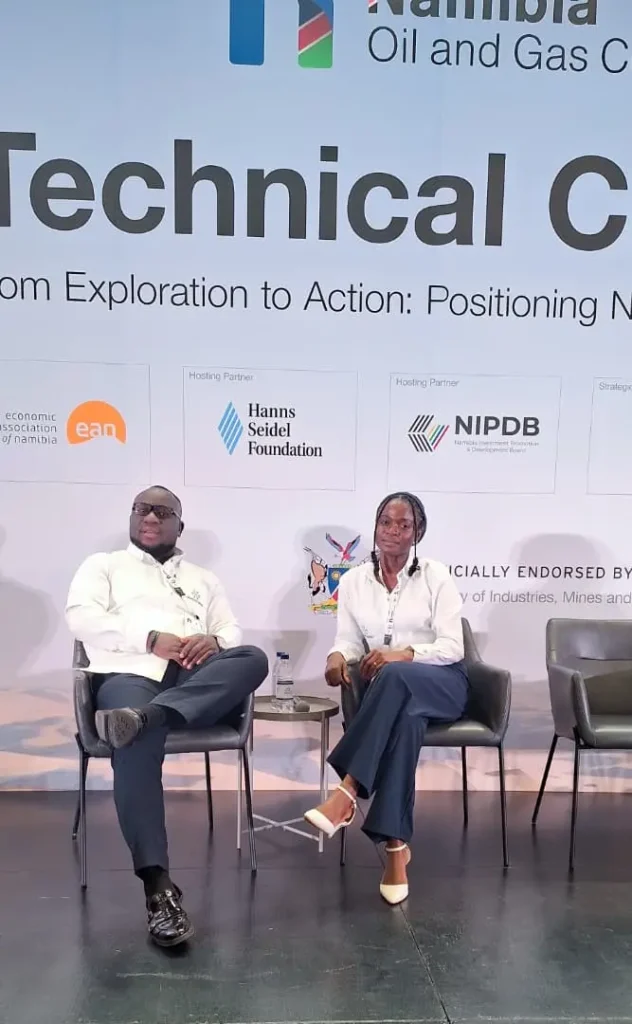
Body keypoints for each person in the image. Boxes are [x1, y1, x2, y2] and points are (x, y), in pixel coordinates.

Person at [66, 485, 268, 947]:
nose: (151, 517)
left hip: (194, 680)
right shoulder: (103, 566)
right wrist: (150, 638)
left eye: (163, 511)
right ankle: (158, 889)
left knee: (253, 657)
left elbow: (230, 629)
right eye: (143, 509)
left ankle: (151, 717)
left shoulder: (203, 578)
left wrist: (215, 642)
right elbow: (82, 619)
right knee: (132, 735)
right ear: (132, 516)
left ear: (180, 525)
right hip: (130, 675)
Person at [304, 492, 468, 905]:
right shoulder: (354, 581)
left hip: (443, 683)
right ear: (375, 527)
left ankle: (347, 790)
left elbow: (453, 647)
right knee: (406, 723)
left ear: (418, 533)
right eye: (386, 522)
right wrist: (336, 657)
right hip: (394, 696)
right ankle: (396, 850)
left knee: (393, 675)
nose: (393, 531)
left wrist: (404, 654)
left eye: (404, 525)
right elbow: (347, 639)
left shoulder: (435, 576)